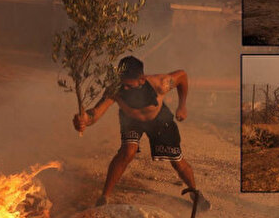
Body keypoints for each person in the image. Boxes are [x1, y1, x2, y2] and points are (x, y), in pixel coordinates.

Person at [73, 56, 210, 210]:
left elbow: (182, 76)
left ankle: (195, 193)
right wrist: (83, 120)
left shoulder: (161, 83)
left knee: (177, 161)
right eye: (122, 83)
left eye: (129, 86)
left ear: (142, 80)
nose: (124, 89)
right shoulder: (115, 89)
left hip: (159, 120)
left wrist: (182, 106)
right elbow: (95, 114)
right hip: (131, 121)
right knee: (127, 152)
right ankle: (104, 197)